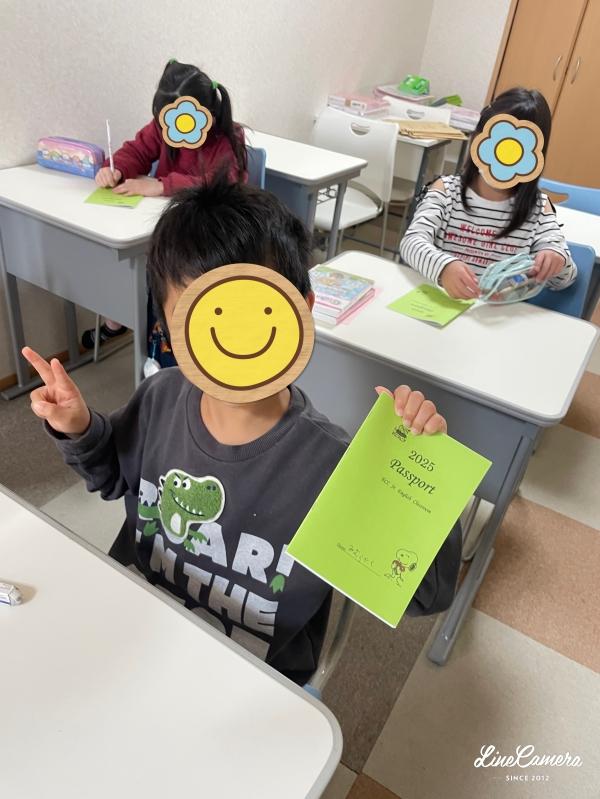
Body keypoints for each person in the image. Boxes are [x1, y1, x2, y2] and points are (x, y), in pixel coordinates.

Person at [23, 180, 461, 686]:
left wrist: (411, 481)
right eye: (203, 320)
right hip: (139, 624)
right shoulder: (160, 396)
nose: (231, 341)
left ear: (303, 310)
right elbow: (111, 473)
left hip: (257, 676)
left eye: (254, 315)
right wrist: (80, 428)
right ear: (166, 329)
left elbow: (425, 594)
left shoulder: (334, 464)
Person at [83, 59, 246, 350]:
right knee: (121, 259)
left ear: (206, 115)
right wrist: (115, 169)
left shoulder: (227, 137)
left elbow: (222, 181)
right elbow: (136, 151)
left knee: (165, 271)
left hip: (207, 230)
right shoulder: (163, 126)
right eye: (166, 121)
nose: (173, 129)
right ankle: (119, 319)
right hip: (165, 223)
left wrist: (161, 185)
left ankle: (162, 335)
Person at [400, 87, 577, 300]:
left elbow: (565, 280)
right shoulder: (445, 190)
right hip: (442, 306)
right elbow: (411, 242)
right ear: (477, 138)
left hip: (498, 315)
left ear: (535, 154)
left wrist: (556, 260)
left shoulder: (538, 208)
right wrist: (443, 267)